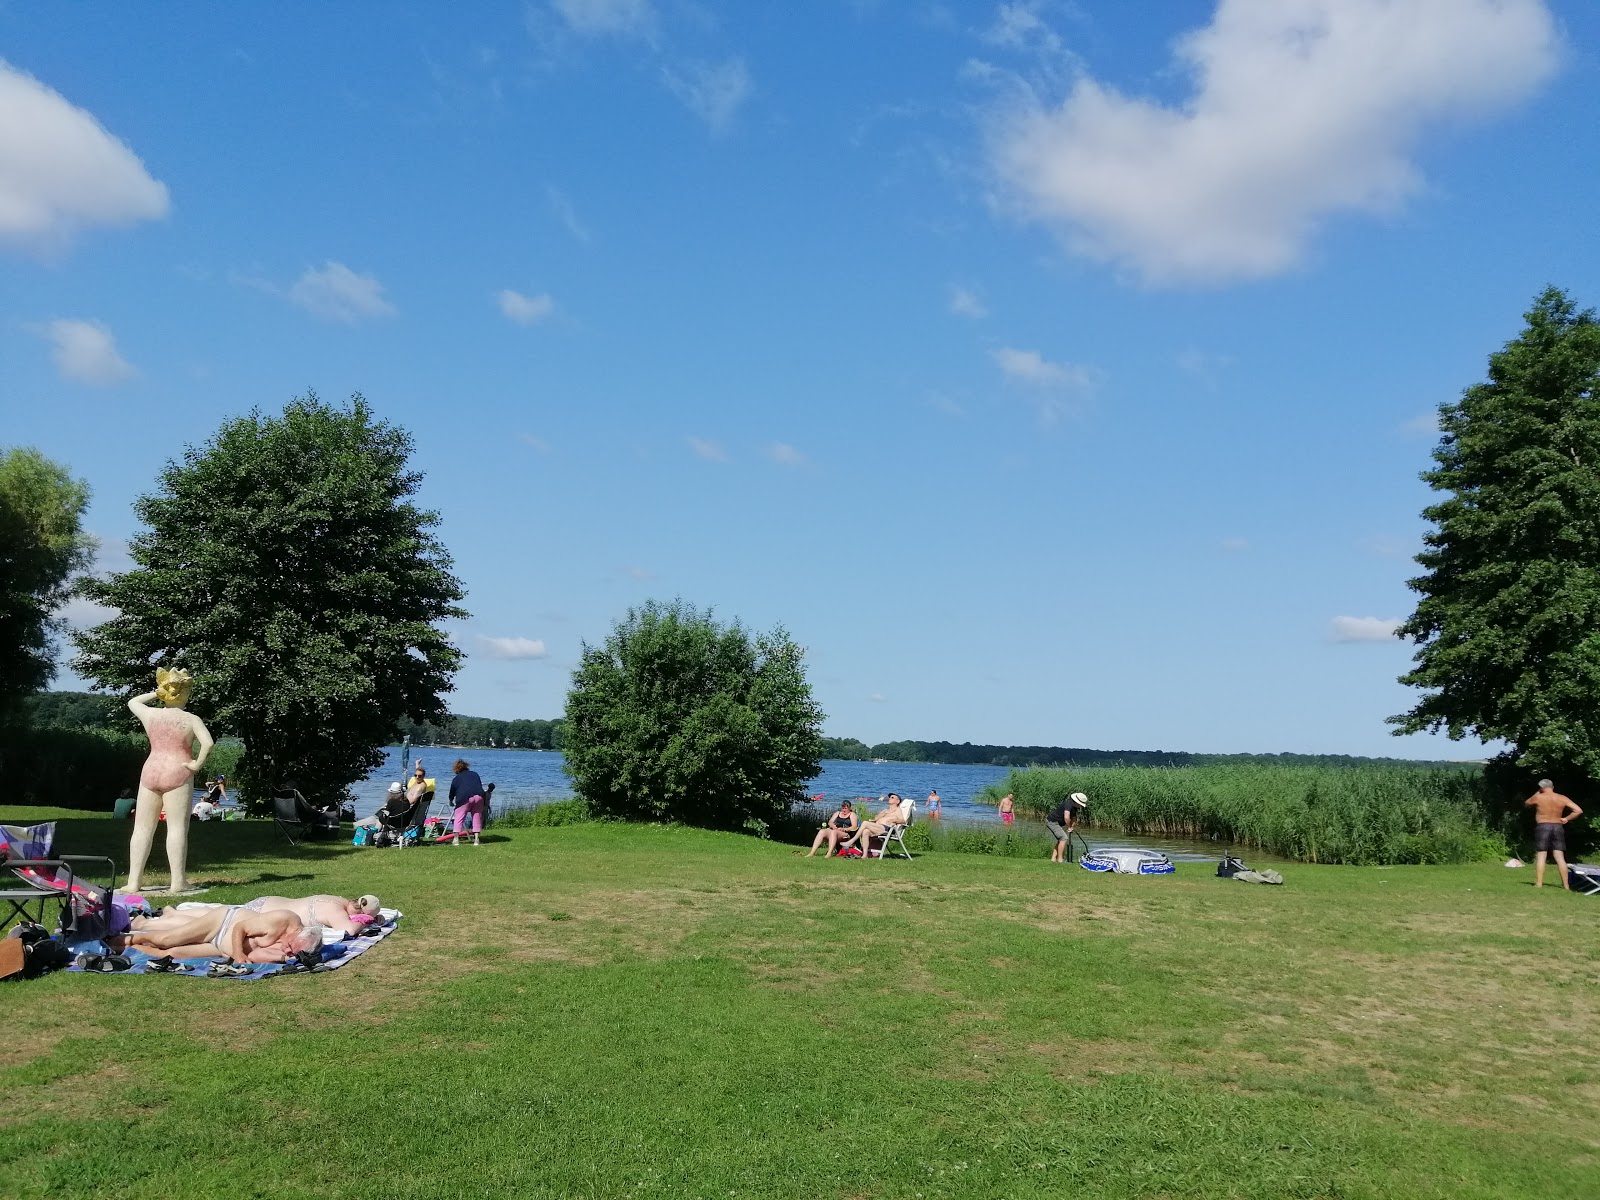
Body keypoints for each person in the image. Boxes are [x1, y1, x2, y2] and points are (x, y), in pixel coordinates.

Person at [113, 905, 321, 963]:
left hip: (222, 947)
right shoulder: (283, 919)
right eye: (291, 946)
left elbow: (260, 954)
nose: (288, 950)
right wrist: (239, 955)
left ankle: (124, 948)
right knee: (164, 940)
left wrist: (285, 956)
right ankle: (122, 938)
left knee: (169, 954)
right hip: (223, 923)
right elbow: (241, 928)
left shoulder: (294, 945)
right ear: (297, 933)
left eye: (293, 952)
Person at [1524, 779, 1583, 889]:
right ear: (1553, 787)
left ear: (1541, 787)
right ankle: (1566, 885)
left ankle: (1539, 883)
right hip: (1557, 826)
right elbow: (1578, 810)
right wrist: (1566, 818)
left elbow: (1527, 803)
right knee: (1560, 857)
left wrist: (1538, 791)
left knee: (1541, 855)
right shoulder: (1562, 798)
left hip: (1543, 826)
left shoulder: (1539, 797)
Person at [243, 893, 380, 936]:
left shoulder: (339, 900)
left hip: (266, 902)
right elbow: (349, 930)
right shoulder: (336, 910)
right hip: (259, 915)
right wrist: (365, 921)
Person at [842, 793, 907, 858]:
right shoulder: (885, 810)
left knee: (865, 823)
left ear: (897, 801)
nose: (889, 798)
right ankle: (864, 855)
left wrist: (894, 820)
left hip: (887, 829)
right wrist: (884, 813)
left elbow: (903, 821)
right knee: (866, 831)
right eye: (890, 797)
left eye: (892, 797)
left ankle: (851, 841)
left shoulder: (897, 810)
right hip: (878, 827)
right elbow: (875, 818)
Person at [449, 758, 487, 846]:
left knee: (459, 817)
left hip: (464, 799)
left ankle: (456, 839)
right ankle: (476, 840)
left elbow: (452, 791)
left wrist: (450, 800)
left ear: (456, 769)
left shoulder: (456, 779)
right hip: (479, 797)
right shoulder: (475, 774)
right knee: (477, 817)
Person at [1046, 792, 1088, 863]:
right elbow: (1066, 817)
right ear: (1076, 802)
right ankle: (1060, 859)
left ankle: (1053, 859)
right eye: (1080, 804)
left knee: (1061, 839)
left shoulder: (1074, 807)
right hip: (1052, 822)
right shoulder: (1068, 804)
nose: (1081, 806)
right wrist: (1069, 827)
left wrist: (1072, 827)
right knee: (1064, 838)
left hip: (1057, 823)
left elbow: (1074, 818)